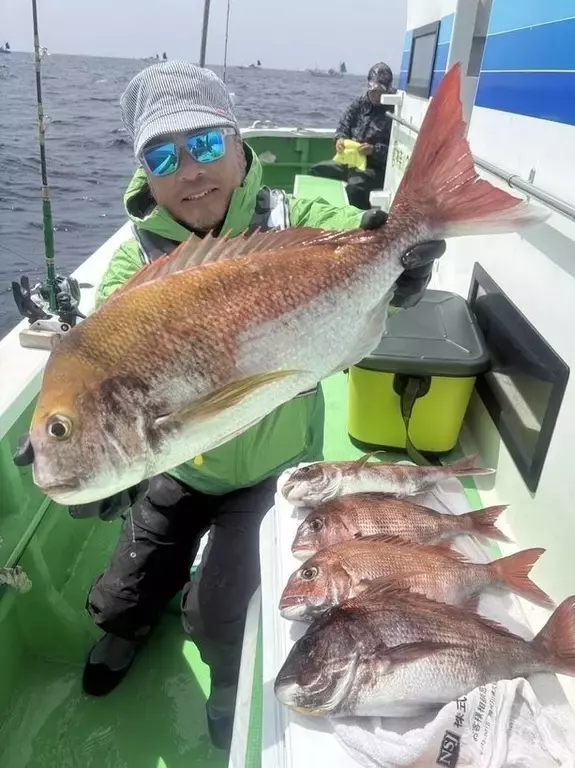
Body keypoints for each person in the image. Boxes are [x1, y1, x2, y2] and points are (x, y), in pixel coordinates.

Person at [59, 62, 444, 750]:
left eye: (207, 144)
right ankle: (130, 630)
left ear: (241, 147)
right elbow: (96, 364)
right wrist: (78, 454)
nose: (192, 170)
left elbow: (352, 230)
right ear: (145, 173)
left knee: (221, 615)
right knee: (119, 597)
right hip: (182, 468)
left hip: (273, 466)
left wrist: (397, 258)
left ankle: (232, 684)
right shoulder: (130, 275)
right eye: (163, 154)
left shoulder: (293, 216)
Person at [309, 62, 396, 210]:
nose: (375, 95)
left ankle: (362, 221)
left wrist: (373, 150)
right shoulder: (359, 103)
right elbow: (343, 126)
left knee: (355, 186)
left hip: (374, 168)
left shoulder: (395, 109)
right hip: (349, 162)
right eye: (372, 90)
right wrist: (339, 140)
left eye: (380, 91)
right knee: (317, 170)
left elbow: (396, 151)